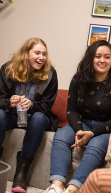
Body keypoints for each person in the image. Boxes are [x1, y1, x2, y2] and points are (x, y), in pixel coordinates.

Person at [44, 40, 111, 193]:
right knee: (61, 136)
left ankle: (73, 188)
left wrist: (92, 133)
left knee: (95, 145)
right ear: (91, 58)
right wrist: (78, 130)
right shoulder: (79, 79)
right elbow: (71, 111)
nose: (102, 60)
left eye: (107, 57)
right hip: (82, 124)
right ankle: (57, 186)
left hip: (107, 129)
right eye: (98, 56)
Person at [0, 37, 58, 193]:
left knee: (39, 118)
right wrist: (8, 102)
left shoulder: (50, 74)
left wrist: (32, 105)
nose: (41, 58)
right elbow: (0, 98)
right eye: (37, 53)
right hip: (12, 114)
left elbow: (46, 106)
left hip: (34, 117)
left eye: (44, 54)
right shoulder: (7, 69)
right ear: (26, 53)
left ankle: (21, 174)